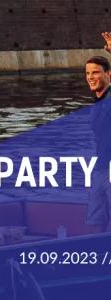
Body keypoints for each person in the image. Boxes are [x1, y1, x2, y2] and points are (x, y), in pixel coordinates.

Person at [84, 56, 111, 233]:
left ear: (108, 74)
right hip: (100, 168)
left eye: (96, 72)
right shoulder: (97, 104)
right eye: (88, 73)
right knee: (95, 219)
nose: (91, 77)